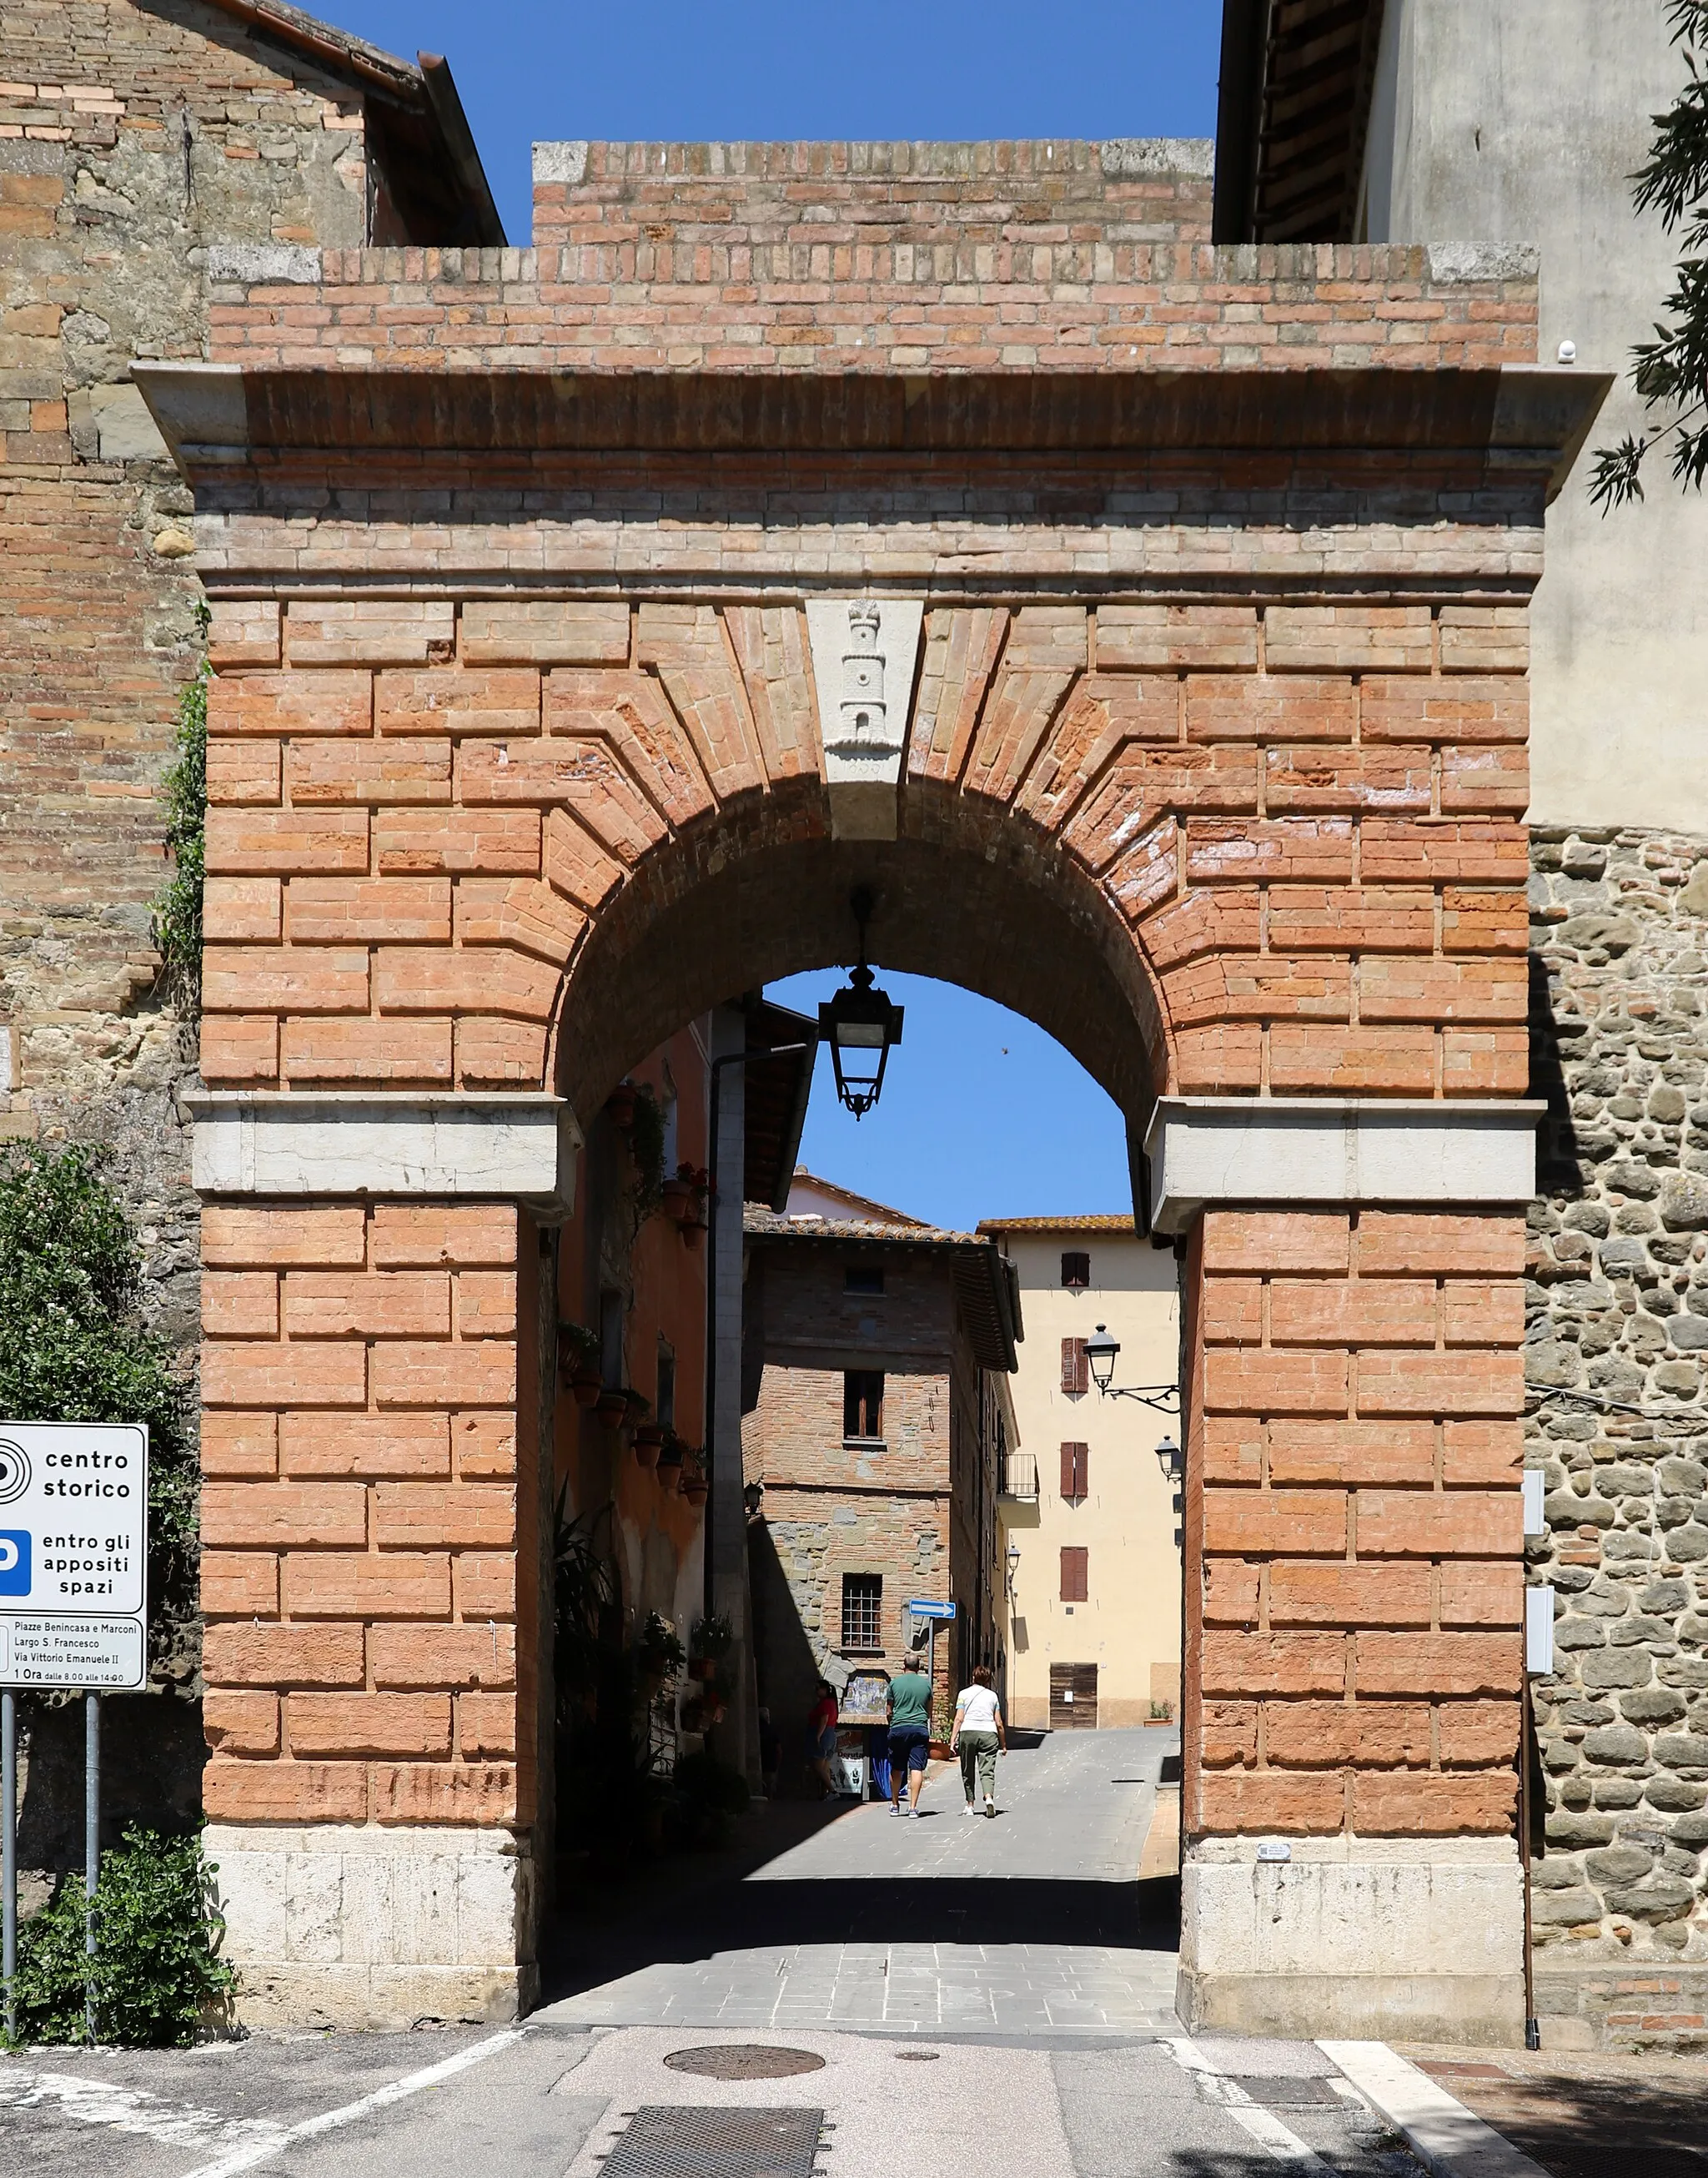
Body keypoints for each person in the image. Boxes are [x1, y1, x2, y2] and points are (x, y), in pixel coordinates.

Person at [951, 1664, 1007, 1818]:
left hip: (968, 1732)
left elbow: (959, 1718)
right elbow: (999, 1723)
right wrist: (1003, 1744)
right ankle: (988, 1798)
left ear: (973, 1677)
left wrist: (952, 1739)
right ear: (988, 1680)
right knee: (987, 1771)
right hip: (989, 1734)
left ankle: (970, 1804)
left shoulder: (963, 1694)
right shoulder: (993, 1696)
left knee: (967, 1770)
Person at [886, 1652, 932, 1817]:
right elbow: (929, 1711)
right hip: (919, 1728)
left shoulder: (894, 1683)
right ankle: (913, 1808)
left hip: (898, 1728)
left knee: (897, 1768)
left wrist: (891, 1722)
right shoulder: (926, 1685)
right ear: (918, 1667)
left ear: (903, 1666)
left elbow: (889, 1710)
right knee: (916, 1767)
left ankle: (894, 1804)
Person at [807, 1678, 839, 1798]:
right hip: (830, 1734)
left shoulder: (826, 1703)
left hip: (824, 1734)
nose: (815, 1691)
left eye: (817, 1688)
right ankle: (825, 1794)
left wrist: (818, 1735)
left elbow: (824, 1719)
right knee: (825, 1766)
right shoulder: (832, 1703)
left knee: (817, 1766)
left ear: (824, 1690)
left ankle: (832, 1791)